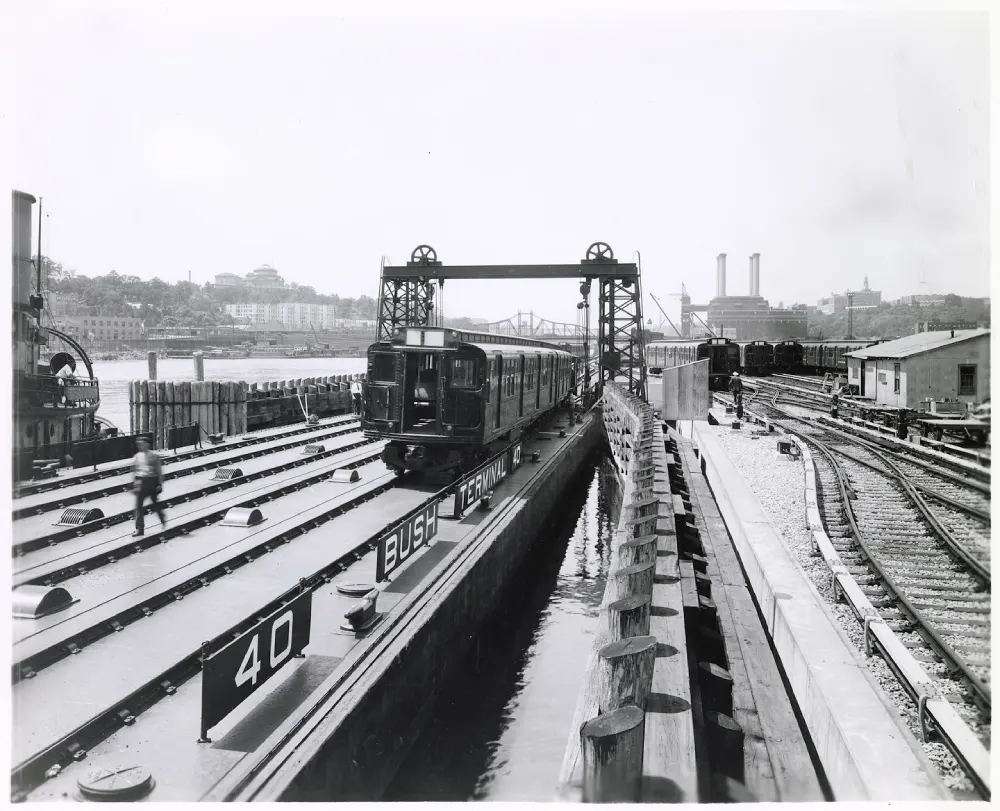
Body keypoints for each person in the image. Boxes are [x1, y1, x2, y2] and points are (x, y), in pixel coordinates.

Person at [132, 437, 166, 537]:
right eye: (139, 444)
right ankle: (140, 529)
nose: (140, 446)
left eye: (142, 444)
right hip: (141, 482)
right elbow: (135, 471)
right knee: (138, 506)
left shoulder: (154, 456)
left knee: (155, 505)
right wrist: (134, 483)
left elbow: (159, 471)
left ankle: (162, 518)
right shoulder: (137, 456)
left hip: (152, 482)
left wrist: (160, 484)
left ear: (147, 445)